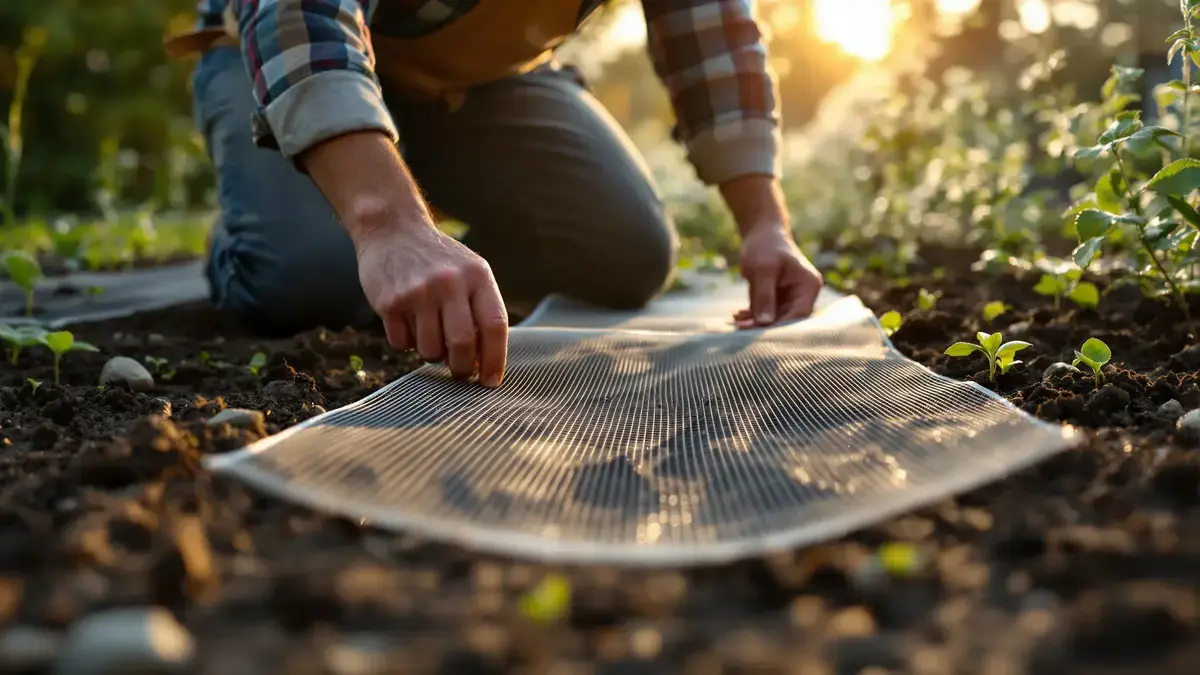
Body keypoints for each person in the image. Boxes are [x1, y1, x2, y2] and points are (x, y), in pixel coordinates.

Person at [166, 0, 824, 389]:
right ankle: (264, 234)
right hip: (278, 50)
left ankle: (412, 244)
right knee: (306, 278)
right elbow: (300, 15)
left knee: (625, 250)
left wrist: (764, 221)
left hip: (481, 79)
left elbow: (710, 32)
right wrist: (384, 223)